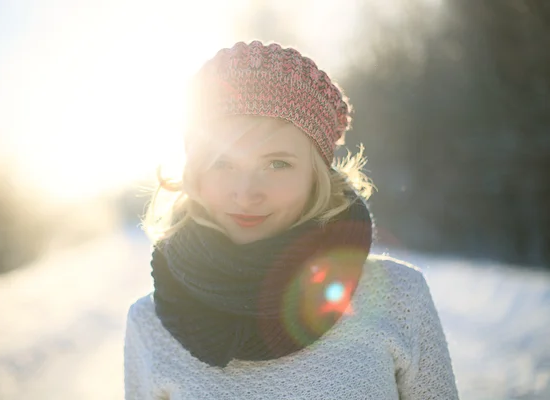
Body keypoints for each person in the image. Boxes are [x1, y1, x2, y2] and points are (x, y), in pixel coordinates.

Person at [124, 40, 459, 399]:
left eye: (277, 163)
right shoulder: (150, 325)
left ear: (316, 176)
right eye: (222, 162)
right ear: (196, 173)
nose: (246, 192)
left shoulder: (398, 297)